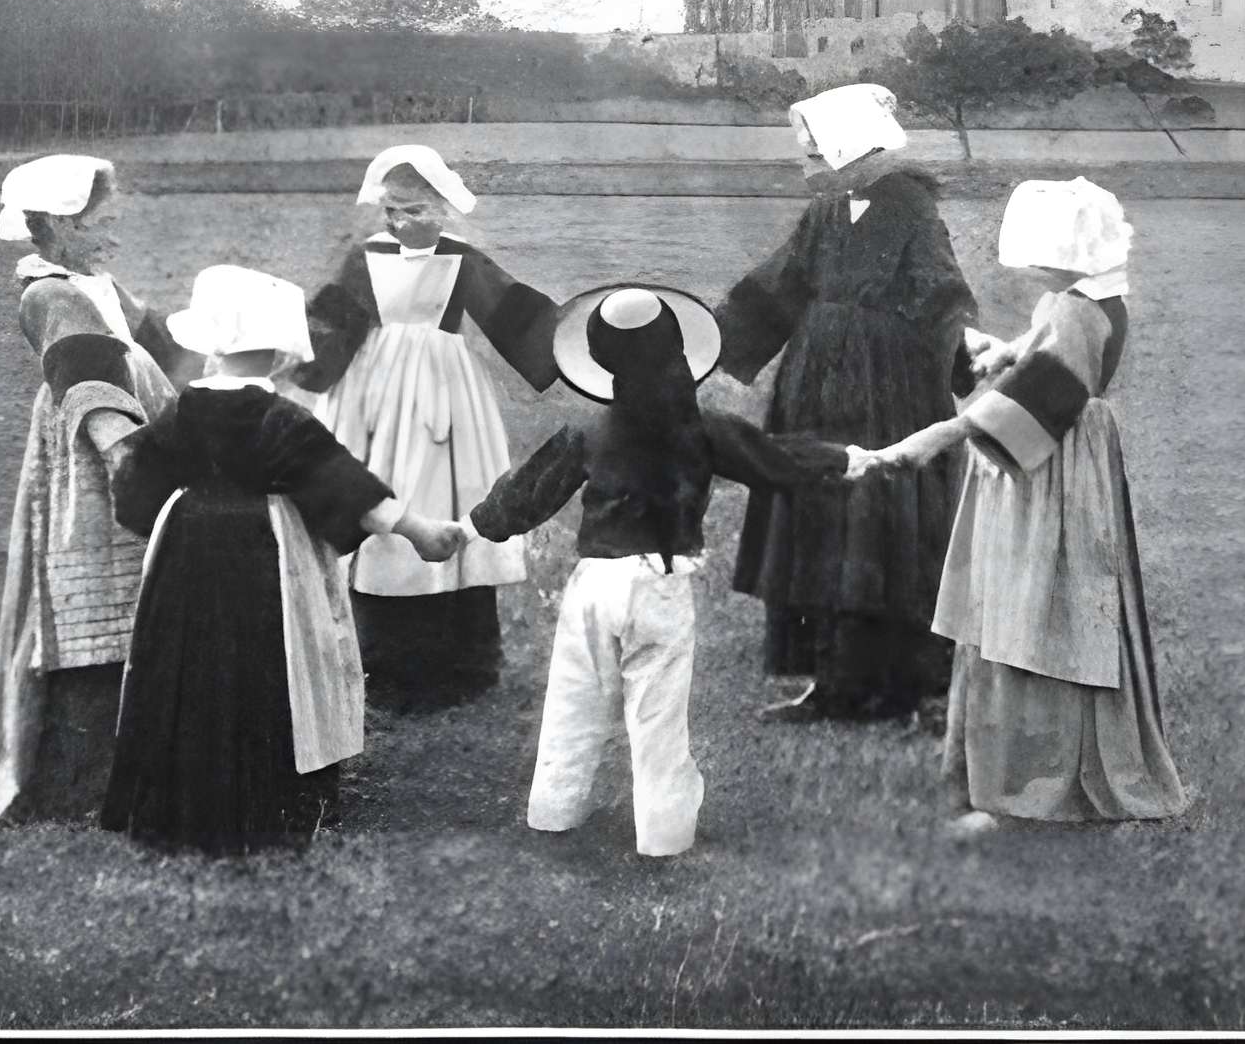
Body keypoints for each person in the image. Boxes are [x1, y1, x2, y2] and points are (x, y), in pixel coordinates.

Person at [462, 283, 864, 857]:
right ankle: (663, 838)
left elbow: (525, 496)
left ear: (602, 359)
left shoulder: (588, 431)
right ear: (677, 349)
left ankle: (554, 814)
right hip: (659, 586)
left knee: (573, 706)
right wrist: (849, 459)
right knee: (658, 720)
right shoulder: (705, 429)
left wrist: (473, 526)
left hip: (593, 585)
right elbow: (776, 461)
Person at [100, 267, 466, 856]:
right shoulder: (280, 418)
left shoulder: (183, 410)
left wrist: (171, 514)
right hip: (263, 551)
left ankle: (183, 798)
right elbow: (347, 487)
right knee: (272, 662)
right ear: (278, 353)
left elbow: (134, 481)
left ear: (212, 345)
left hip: (186, 549)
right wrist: (420, 531)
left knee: (188, 661)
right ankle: (267, 801)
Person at [861, 177, 1189, 829]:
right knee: (1040, 604)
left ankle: (1029, 780)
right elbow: (1049, 354)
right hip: (1062, 454)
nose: (1031, 266)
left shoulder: (1075, 311)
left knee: (1031, 608)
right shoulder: (1086, 298)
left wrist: (934, 437)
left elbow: (1047, 393)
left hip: (1047, 460)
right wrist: (1004, 351)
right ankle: (1020, 771)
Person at [712, 83, 979, 726]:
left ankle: (911, 688)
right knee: (820, 511)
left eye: (813, 153)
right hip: (815, 383)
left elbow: (943, 295)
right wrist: (705, 342)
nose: (804, 163)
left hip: (890, 391)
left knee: (883, 522)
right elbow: (776, 287)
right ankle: (832, 682)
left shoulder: (912, 208)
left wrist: (965, 358)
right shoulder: (826, 212)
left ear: (851, 149)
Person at [295, 144, 561, 712]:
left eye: (413, 210)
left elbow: (518, 316)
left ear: (443, 206)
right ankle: (385, 660)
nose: (400, 222)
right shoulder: (365, 257)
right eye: (390, 210)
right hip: (373, 395)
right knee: (383, 492)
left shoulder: (462, 259)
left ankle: (466, 658)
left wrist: (576, 344)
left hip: (447, 393)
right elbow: (329, 323)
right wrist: (301, 356)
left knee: (453, 492)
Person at [0, 155, 186, 822]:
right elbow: (86, 376)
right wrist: (126, 457)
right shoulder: (51, 295)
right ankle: (83, 783)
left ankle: (149, 760)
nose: (115, 232)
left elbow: (167, 347)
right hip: (90, 463)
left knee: (136, 595)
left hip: (136, 445)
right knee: (91, 600)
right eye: (102, 221)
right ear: (60, 224)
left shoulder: (99, 285)